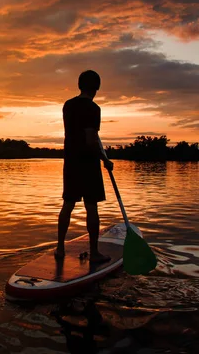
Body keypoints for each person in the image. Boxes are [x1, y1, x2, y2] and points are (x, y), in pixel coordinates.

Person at [56, 70, 114, 264]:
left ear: (79, 85)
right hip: (88, 163)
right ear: (96, 88)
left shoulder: (68, 105)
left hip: (71, 162)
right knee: (91, 207)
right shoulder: (93, 108)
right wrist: (104, 160)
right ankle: (95, 252)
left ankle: (60, 249)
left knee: (68, 204)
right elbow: (90, 140)